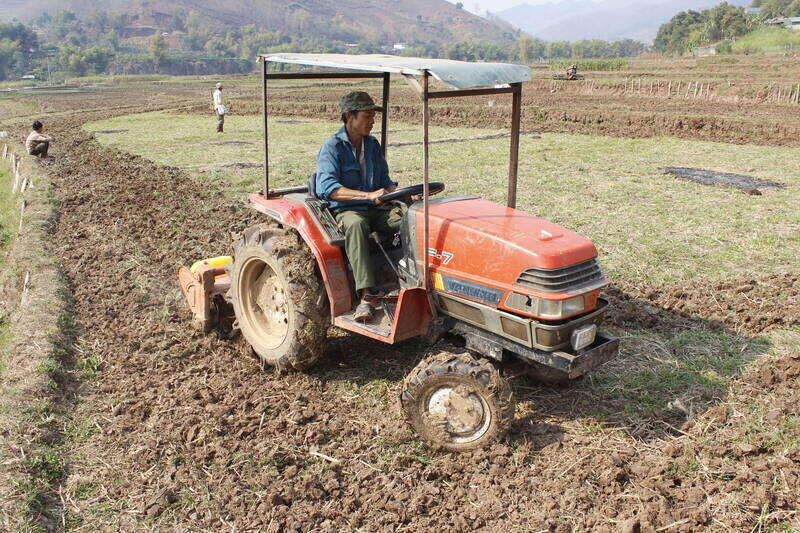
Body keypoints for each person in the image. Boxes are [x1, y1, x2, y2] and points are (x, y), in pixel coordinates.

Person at [316, 91, 401, 323]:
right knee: (356, 225)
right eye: (367, 115)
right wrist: (368, 194)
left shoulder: (372, 144)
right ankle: (367, 295)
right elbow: (329, 189)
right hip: (347, 209)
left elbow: (384, 181)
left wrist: (397, 192)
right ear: (349, 116)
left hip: (376, 207)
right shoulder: (332, 147)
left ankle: (409, 276)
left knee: (409, 218)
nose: (372, 120)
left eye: (374, 115)